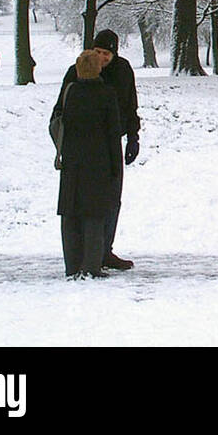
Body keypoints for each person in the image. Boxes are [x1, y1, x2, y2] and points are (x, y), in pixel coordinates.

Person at [52, 30, 139, 271]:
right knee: (84, 204)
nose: (101, 58)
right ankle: (88, 255)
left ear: (114, 54)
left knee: (112, 199)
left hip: (111, 143)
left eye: (106, 54)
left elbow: (131, 104)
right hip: (83, 149)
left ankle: (104, 249)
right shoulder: (77, 71)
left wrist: (133, 136)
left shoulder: (122, 71)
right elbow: (61, 107)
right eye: (98, 52)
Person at [56, 50, 123, 279]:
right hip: (98, 162)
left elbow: (58, 120)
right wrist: (116, 166)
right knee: (94, 214)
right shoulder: (106, 94)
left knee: (71, 214)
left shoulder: (70, 92)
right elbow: (113, 133)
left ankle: (72, 264)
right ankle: (91, 265)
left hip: (72, 160)